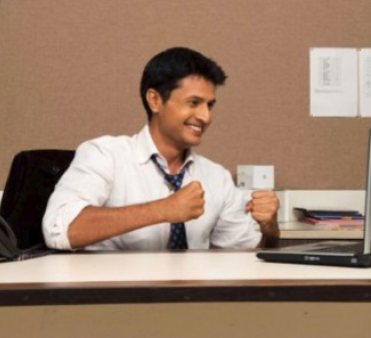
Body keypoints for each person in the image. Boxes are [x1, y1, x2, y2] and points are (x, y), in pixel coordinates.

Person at [42, 47, 279, 250]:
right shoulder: (104, 155)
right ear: (155, 100)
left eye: (210, 105)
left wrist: (269, 228)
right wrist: (163, 209)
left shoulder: (217, 177)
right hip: (116, 290)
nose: (205, 116)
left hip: (193, 290)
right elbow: (59, 230)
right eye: (194, 103)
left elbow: (248, 256)